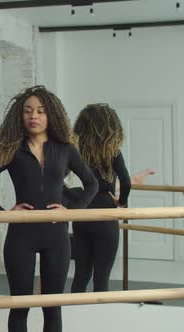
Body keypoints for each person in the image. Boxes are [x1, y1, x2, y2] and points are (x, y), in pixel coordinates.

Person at [0, 86, 98, 332]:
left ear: (50, 116)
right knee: (20, 306)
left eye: (40, 111)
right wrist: (4, 214)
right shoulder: (11, 149)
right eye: (28, 111)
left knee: (52, 307)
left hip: (56, 236)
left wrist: (71, 212)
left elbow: (91, 184)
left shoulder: (65, 148)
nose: (34, 116)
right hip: (21, 236)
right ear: (20, 116)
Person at [69, 103, 131, 293]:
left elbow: (56, 178)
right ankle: (100, 317)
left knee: (81, 274)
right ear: (111, 127)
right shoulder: (112, 152)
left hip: (82, 215)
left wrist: (75, 195)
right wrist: (121, 202)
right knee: (101, 278)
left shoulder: (76, 151)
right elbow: (126, 182)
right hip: (106, 216)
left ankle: (74, 314)